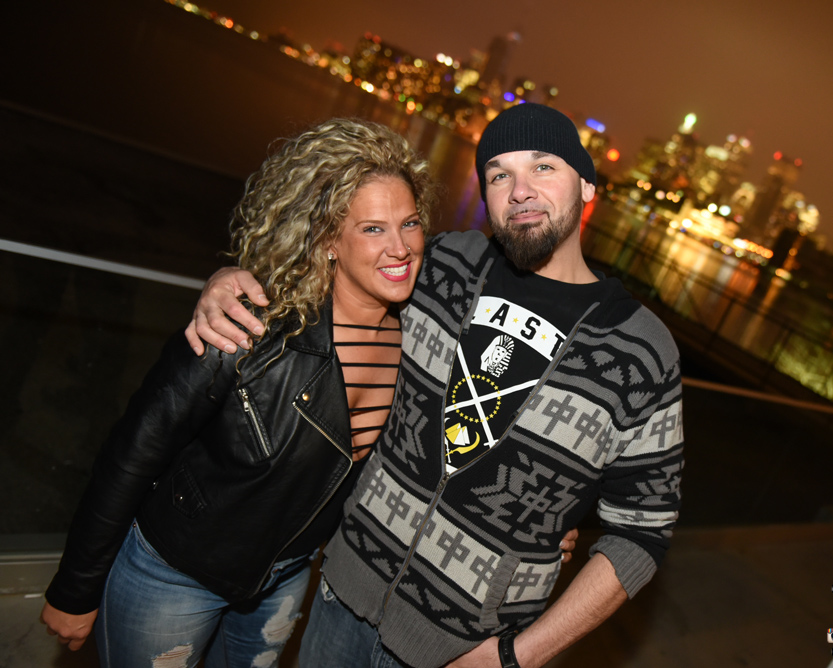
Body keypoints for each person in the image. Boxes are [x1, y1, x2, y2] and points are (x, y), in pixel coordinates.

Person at [189, 103, 683, 668]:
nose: (520, 191)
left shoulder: (643, 351)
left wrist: (515, 657)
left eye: (543, 167)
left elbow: (640, 534)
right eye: (499, 175)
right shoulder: (443, 262)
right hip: (341, 594)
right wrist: (232, 281)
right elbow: (330, 280)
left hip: (466, 650)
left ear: (587, 185)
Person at [39, 118, 436, 667]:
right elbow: (134, 450)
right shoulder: (245, 328)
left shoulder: (422, 336)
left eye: (410, 223)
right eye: (373, 229)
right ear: (327, 241)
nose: (400, 247)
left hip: (284, 580)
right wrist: (75, 587)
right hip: (175, 575)